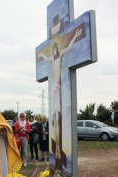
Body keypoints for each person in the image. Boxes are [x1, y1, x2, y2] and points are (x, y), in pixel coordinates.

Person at [38, 28, 82, 160]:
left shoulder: (61, 55)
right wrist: (40, 55)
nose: (54, 50)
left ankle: (58, 148)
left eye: (55, 48)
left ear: (57, 49)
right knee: (55, 117)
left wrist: (75, 35)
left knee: (59, 117)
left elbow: (68, 47)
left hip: (58, 86)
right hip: (53, 87)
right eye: (53, 49)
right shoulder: (51, 58)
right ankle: (56, 147)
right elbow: (45, 58)